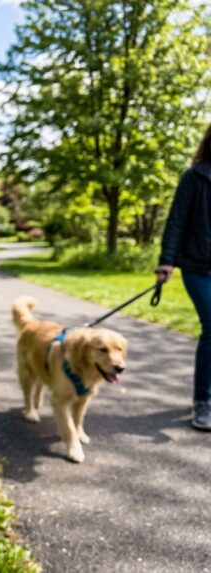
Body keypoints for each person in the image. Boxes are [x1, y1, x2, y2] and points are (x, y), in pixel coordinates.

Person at [157, 124, 211, 431]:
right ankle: (203, 400)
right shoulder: (195, 178)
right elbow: (176, 221)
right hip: (198, 267)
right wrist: (167, 261)